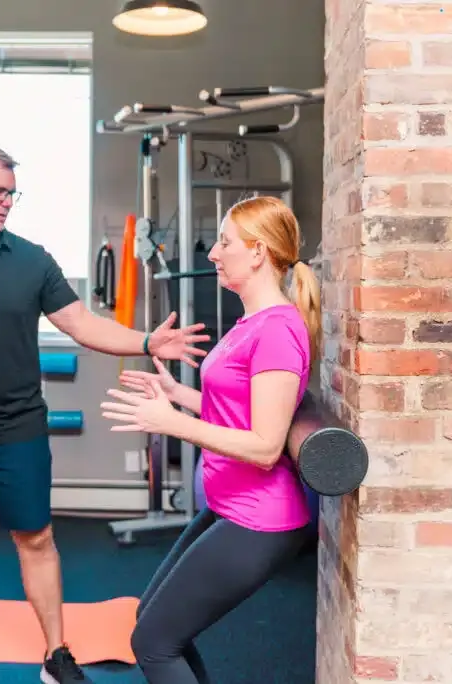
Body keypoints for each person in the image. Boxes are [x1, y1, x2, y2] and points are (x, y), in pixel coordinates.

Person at [0, 144, 210, 684]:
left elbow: (80, 323)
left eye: (11, 193)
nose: (6, 203)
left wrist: (145, 339)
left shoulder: (32, 260)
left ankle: (56, 653)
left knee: (37, 539)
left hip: (18, 426)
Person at [101, 195, 321, 684]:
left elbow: (265, 445)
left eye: (225, 243)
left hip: (260, 519)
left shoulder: (280, 330)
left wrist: (170, 422)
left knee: (154, 643)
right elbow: (241, 412)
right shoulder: (254, 323)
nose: (213, 254)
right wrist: (177, 394)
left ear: (258, 251)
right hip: (230, 507)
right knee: (155, 631)